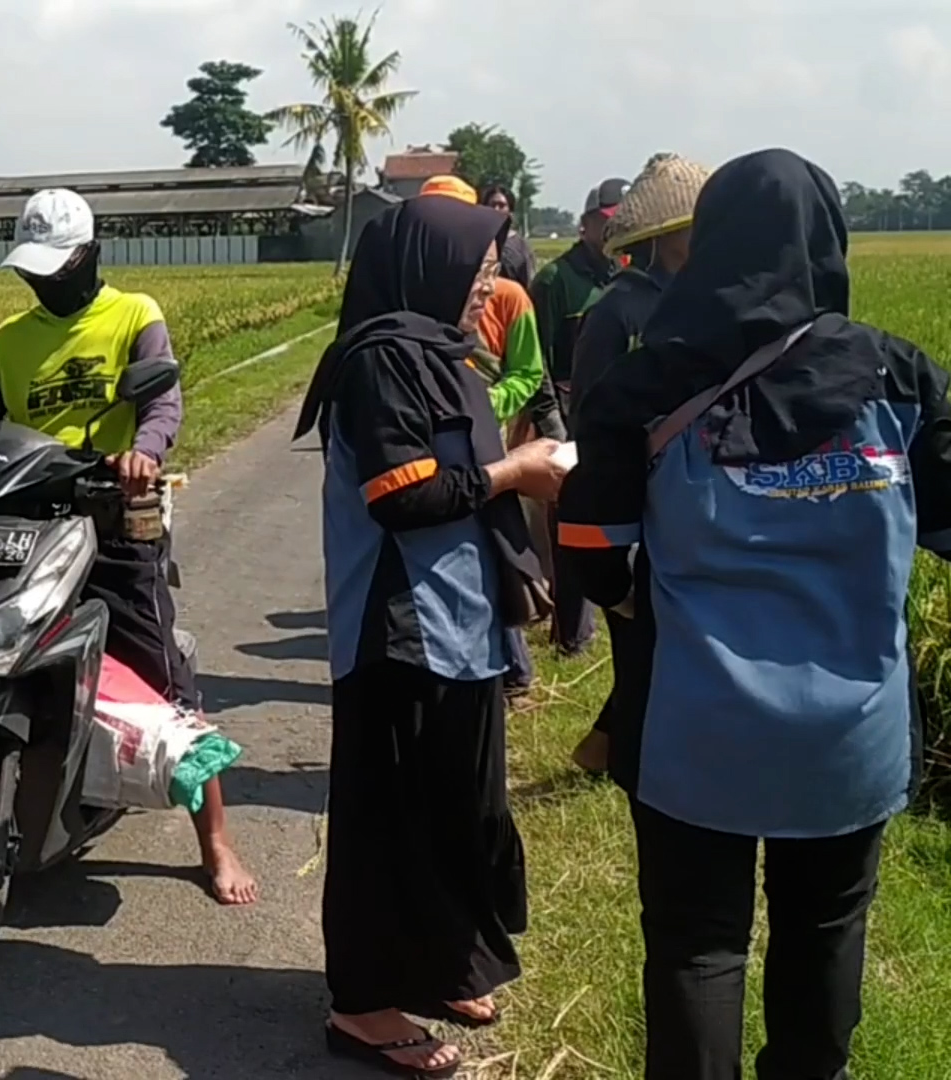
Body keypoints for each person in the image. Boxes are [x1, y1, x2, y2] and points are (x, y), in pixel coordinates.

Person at [559, 148, 951, 1080]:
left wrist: (649, 604)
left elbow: (590, 553)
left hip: (695, 725)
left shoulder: (646, 388)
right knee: (826, 927)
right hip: (854, 729)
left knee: (697, 942)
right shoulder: (900, 378)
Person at [0, 188, 258, 907]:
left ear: (90, 255)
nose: (42, 280)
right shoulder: (10, 340)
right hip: (18, 522)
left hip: (111, 518)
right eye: (32, 269)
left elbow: (161, 401)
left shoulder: (134, 315)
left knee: (161, 673)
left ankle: (216, 840)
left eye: (57, 266)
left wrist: (144, 450)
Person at [296, 194, 566, 1077]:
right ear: (430, 269)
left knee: (460, 807)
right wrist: (516, 472)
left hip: (460, 623)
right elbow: (401, 494)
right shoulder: (381, 363)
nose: (489, 287)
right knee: (390, 819)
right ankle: (363, 1004)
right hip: (400, 629)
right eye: (479, 271)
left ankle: (443, 963)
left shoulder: (442, 355)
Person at [563, 152, 710, 776]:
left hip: (695, 500)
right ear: (667, 235)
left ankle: (612, 749)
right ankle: (631, 763)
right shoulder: (617, 312)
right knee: (641, 646)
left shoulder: (706, 300)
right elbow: (592, 423)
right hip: (637, 503)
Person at [422, 177, 552, 697]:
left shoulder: (510, 297)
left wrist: (486, 407)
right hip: (435, 438)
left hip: (489, 432)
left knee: (494, 538)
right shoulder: (411, 304)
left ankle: (513, 666)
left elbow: (527, 372)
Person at [527, 178, 627, 657]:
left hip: (615, 413)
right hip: (568, 413)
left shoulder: (626, 276)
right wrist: (552, 422)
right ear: (586, 223)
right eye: (605, 223)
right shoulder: (554, 281)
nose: (612, 232)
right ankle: (571, 632)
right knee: (567, 520)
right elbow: (537, 361)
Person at [480, 184, 537, 287]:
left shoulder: (521, 246)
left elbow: (529, 281)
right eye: (492, 205)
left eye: (501, 205)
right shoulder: (477, 242)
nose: (496, 209)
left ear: (510, 211)